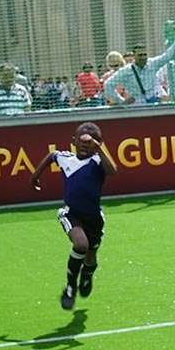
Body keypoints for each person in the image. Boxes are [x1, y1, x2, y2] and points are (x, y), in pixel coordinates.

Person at [30, 121, 118, 311]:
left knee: (91, 255)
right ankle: (70, 286)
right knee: (81, 244)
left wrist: (100, 149)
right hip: (71, 214)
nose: (86, 145)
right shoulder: (66, 158)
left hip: (94, 217)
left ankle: (87, 274)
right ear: (74, 142)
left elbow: (112, 171)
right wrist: (35, 176)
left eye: (91, 142)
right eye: (82, 141)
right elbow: (51, 156)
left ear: (98, 143)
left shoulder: (96, 162)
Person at [104, 39, 175, 106]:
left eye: (145, 54)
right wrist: (121, 101)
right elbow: (107, 85)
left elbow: (167, 56)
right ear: (134, 56)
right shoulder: (125, 71)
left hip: (155, 104)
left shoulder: (152, 63)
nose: (143, 57)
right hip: (137, 107)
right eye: (140, 55)